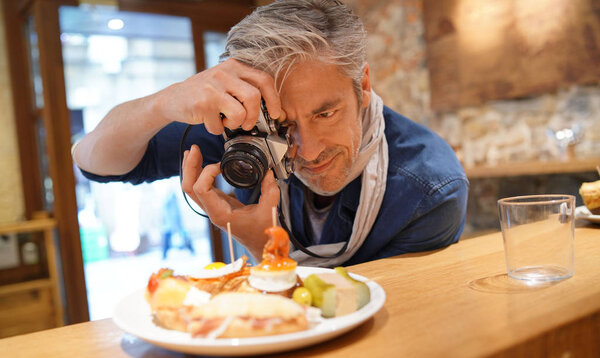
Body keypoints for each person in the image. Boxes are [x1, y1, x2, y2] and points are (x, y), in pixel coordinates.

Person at [72, 0, 469, 267]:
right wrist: (164, 102)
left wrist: (264, 250)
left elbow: (372, 327)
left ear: (362, 86)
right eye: (284, 127)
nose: (308, 151)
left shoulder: (428, 189)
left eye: (326, 113)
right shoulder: (241, 128)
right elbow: (94, 162)